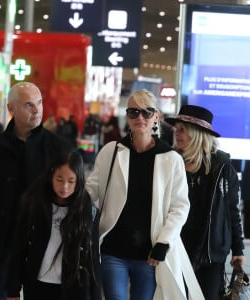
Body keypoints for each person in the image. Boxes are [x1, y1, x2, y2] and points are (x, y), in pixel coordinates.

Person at [86, 89, 204, 300]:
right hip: (113, 248)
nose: (140, 117)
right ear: (127, 116)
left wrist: (164, 241)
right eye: (133, 112)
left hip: (150, 253)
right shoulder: (111, 151)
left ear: (156, 116)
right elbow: (90, 190)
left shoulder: (171, 158)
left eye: (147, 112)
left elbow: (180, 206)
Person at [0, 82, 74, 300]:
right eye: (29, 105)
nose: (37, 109)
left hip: (44, 245)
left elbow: (74, 197)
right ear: (11, 109)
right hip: (2, 245)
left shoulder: (59, 149)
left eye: (39, 103)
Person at [165, 104, 245, 300]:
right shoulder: (169, 162)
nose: (177, 133)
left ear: (197, 134)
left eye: (183, 129)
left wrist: (238, 249)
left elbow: (232, 211)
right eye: (176, 128)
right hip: (176, 247)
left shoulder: (222, 168)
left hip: (211, 251)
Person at [6, 151, 102, 300]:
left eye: (71, 181)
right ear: (51, 176)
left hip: (74, 288)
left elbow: (93, 255)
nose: (64, 186)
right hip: (37, 285)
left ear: (79, 181)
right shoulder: (34, 204)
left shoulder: (87, 209)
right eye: (59, 179)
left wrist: (96, 295)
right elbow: (19, 247)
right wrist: (13, 288)